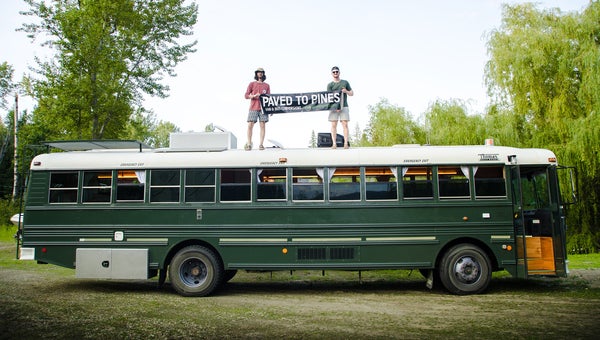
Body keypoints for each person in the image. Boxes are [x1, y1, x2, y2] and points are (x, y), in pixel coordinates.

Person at [244, 67, 270, 150]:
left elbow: (269, 98)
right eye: (258, 72)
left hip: (263, 108)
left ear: (263, 74)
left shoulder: (267, 85)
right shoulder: (252, 84)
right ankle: (249, 143)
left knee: (262, 125)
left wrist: (271, 109)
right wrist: (254, 96)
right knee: (250, 124)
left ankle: (261, 144)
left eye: (261, 72)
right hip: (253, 107)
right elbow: (246, 95)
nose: (260, 73)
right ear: (256, 73)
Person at [327, 66, 353, 149]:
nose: (335, 73)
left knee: (345, 124)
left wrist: (346, 91)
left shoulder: (345, 82)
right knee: (333, 124)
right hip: (334, 108)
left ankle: (346, 143)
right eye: (334, 72)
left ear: (339, 72)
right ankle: (334, 143)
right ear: (332, 73)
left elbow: (352, 93)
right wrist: (335, 107)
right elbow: (328, 97)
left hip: (344, 105)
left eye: (336, 72)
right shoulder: (330, 85)